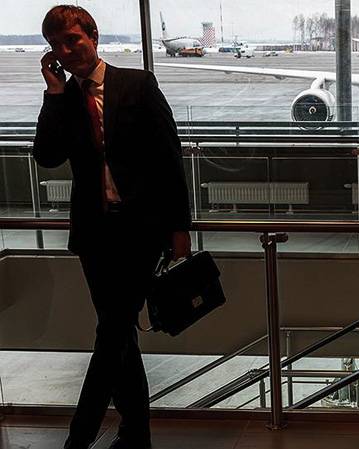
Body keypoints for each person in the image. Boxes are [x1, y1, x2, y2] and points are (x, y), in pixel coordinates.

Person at [33, 5, 191, 449]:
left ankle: (78, 438)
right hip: (95, 233)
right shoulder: (65, 97)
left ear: (93, 36)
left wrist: (180, 228)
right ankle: (135, 434)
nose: (66, 51)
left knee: (111, 335)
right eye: (57, 46)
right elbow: (46, 156)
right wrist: (54, 93)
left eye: (73, 40)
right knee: (118, 335)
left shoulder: (137, 84)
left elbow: (169, 157)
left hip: (141, 231)